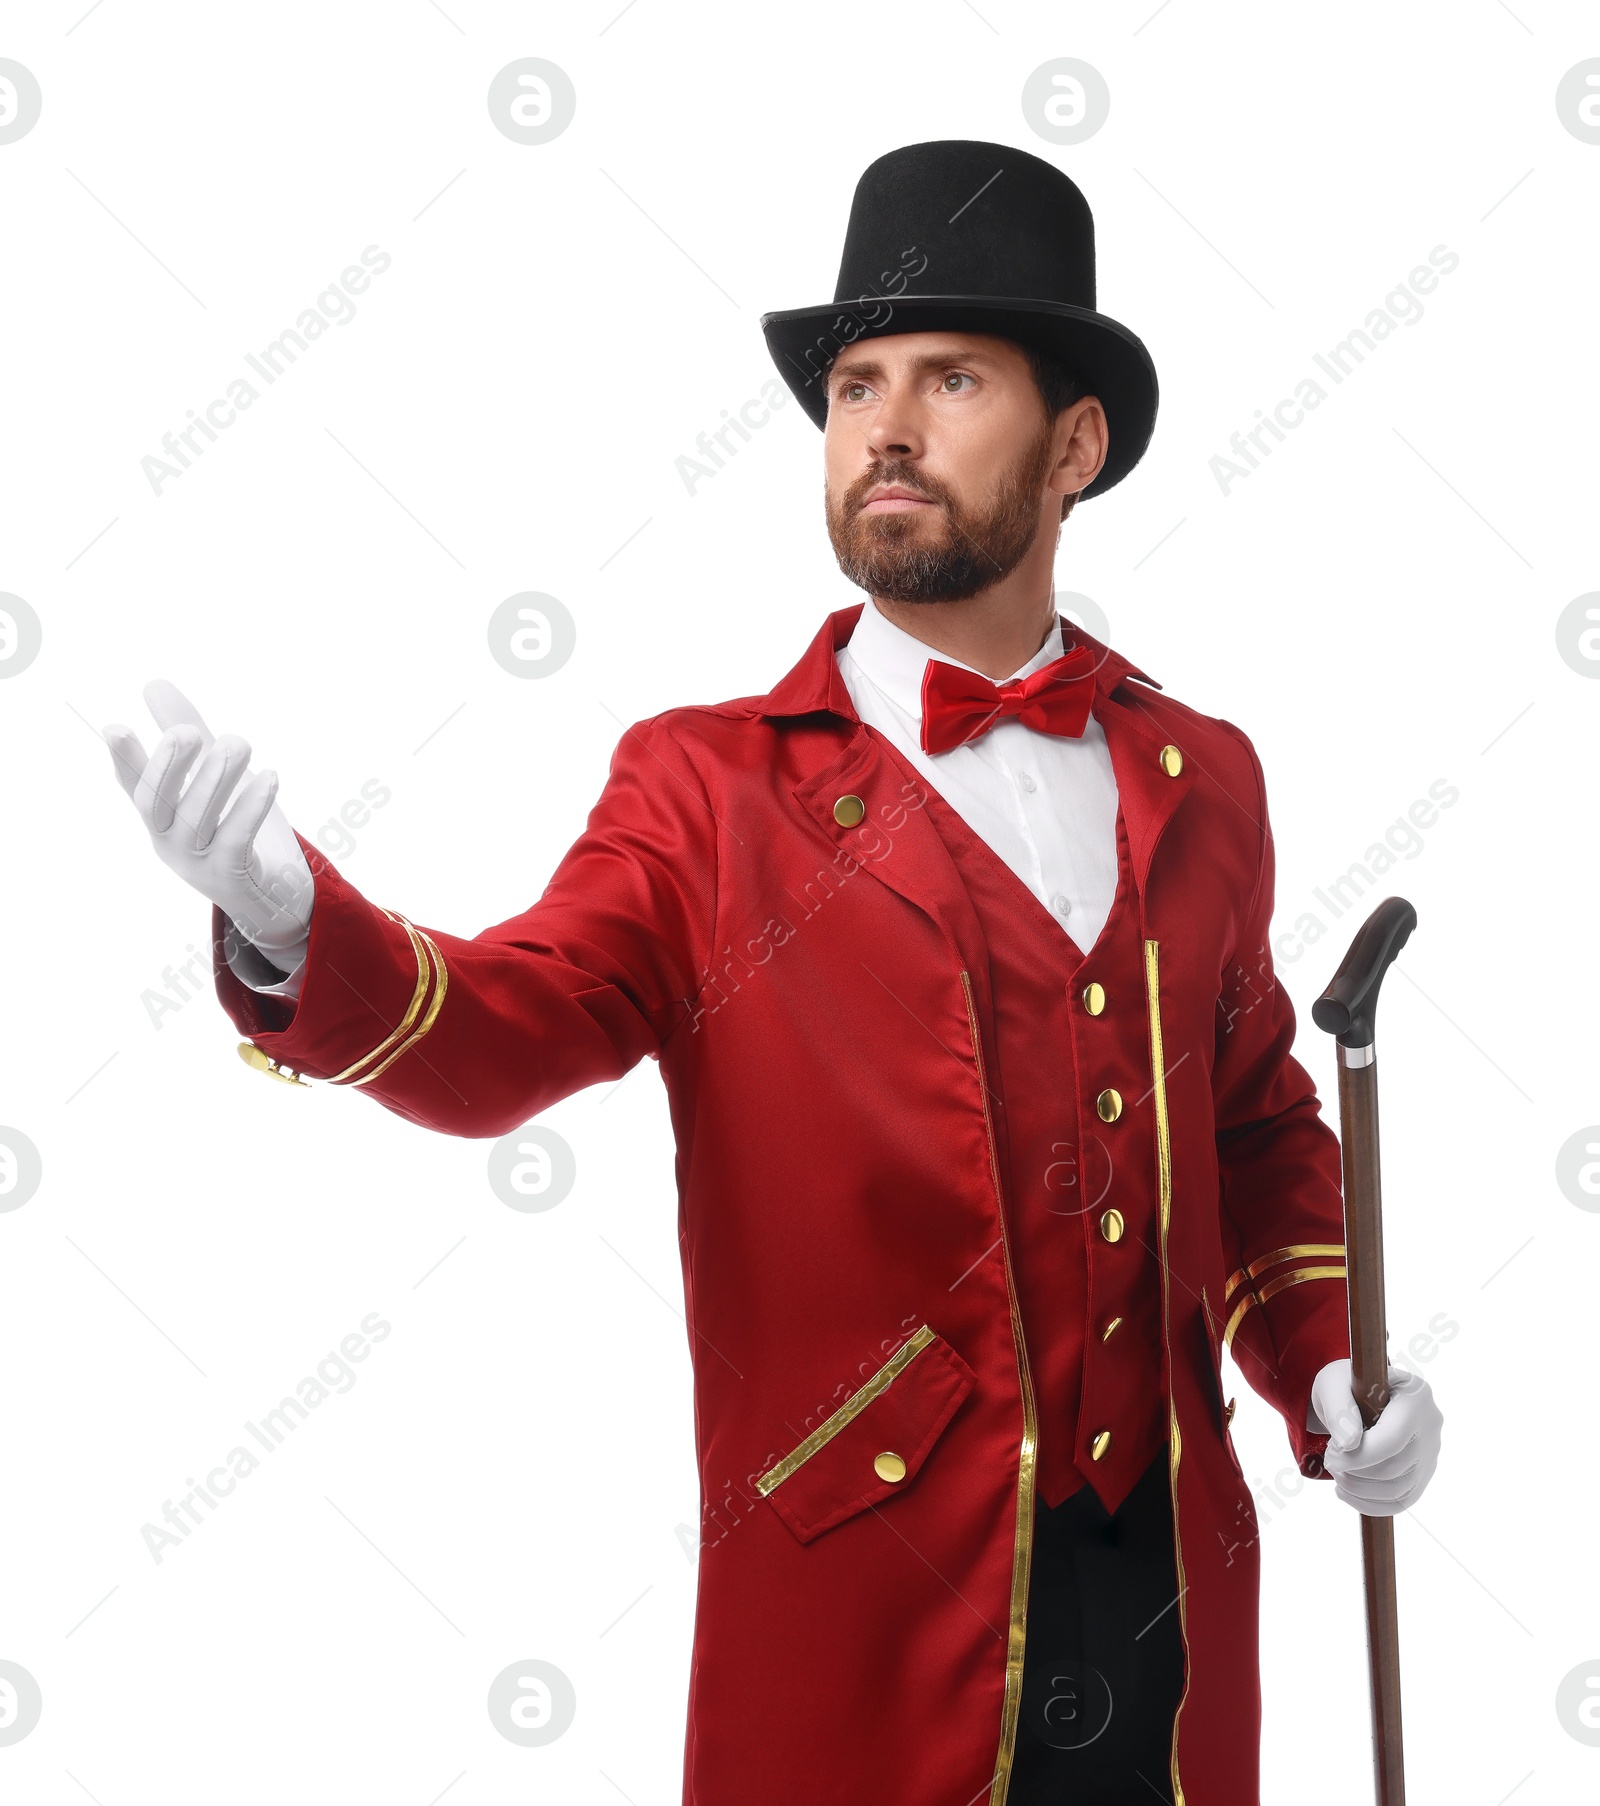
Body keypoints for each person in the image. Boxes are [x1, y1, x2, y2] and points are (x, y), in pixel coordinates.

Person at [102, 141, 1442, 1806]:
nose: (886, 425)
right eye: (856, 384)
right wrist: (298, 925)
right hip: (866, 1610)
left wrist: (1330, 1367)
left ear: (1076, 441)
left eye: (951, 380)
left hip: (1165, 1589)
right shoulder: (705, 792)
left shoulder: (1204, 773)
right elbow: (510, 1032)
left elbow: (1248, 1135)